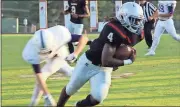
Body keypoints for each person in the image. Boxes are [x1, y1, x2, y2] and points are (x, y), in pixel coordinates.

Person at [57, 2, 145, 107]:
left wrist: (122, 56)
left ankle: (78, 105)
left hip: (104, 69)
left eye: (139, 20)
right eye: (134, 19)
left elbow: (119, 51)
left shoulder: (138, 34)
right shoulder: (113, 29)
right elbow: (106, 60)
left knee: (98, 97)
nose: (137, 23)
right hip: (89, 63)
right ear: (123, 17)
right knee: (71, 88)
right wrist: (128, 61)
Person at [22, 25, 88, 106]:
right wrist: (47, 95)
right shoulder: (30, 51)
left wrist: (75, 54)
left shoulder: (60, 35)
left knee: (44, 74)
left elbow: (84, 38)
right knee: (68, 71)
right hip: (51, 57)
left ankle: (32, 104)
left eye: (47, 51)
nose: (45, 53)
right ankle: (81, 75)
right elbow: (38, 75)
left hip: (59, 54)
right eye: (42, 52)